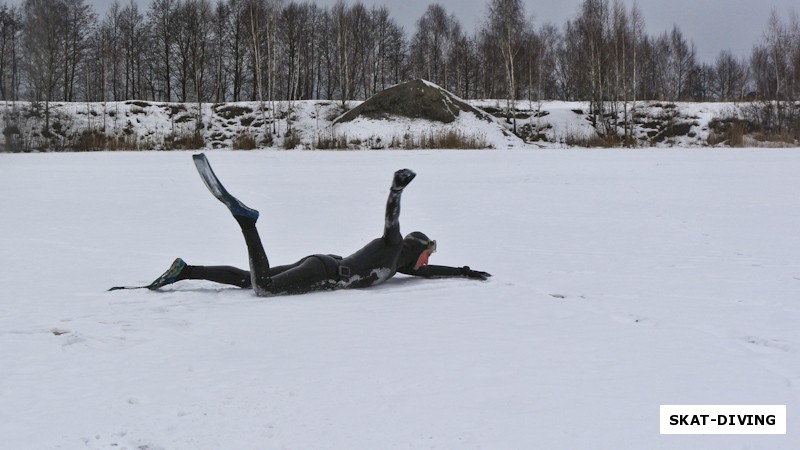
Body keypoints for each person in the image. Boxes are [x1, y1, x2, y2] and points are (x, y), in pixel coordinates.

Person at [111, 153, 490, 296]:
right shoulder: (393, 247)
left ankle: (186, 271)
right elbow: (393, 218)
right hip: (325, 270)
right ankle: (247, 224)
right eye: (427, 255)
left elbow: (429, 272)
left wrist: (464, 272)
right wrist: (396, 188)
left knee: (248, 278)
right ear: (416, 248)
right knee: (266, 290)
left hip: (322, 263)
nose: (426, 264)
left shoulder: (403, 264)